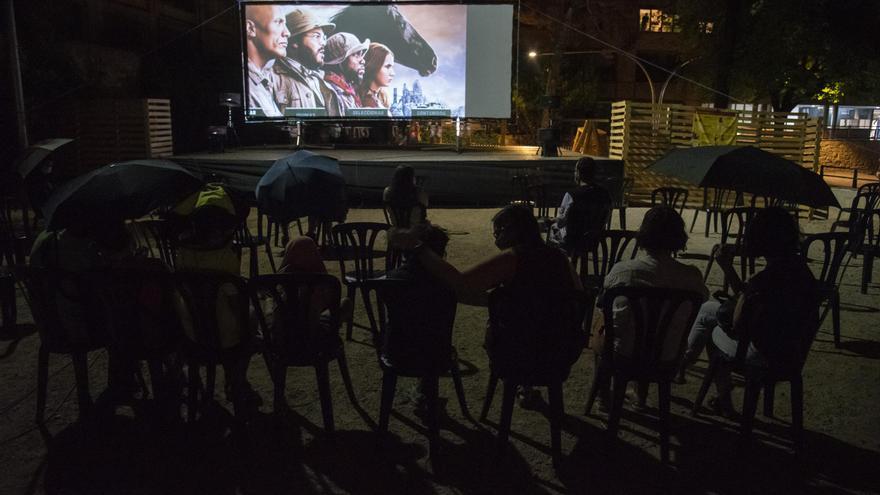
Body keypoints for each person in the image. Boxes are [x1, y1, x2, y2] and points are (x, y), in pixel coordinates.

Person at [392, 204, 582, 407]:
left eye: (499, 231)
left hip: (518, 353)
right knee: (530, 319)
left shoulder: (513, 258)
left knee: (515, 326)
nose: (496, 237)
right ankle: (526, 388)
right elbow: (576, 298)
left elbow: (462, 283)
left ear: (514, 230)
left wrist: (420, 249)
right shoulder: (561, 259)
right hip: (560, 352)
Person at [680, 207, 819, 415]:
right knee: (710, 309)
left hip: (762, 352)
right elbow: (754, 304)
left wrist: (728, 269)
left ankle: (689, 365)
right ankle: (691, 366)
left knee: (709, 318)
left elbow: (738, 323)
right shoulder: (801, 271)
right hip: (792, 352)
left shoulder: (764, 280)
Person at [593, 206, 709, 408]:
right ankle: (640, 393)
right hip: (668, 355)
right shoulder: (692, 276)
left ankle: (604, 395)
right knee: (652, 329)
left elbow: (616, 322)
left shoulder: (625, 271)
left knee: (604, 322)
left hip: (624, 355)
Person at [384, 224, 456, 415]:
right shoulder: (448, 282)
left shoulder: (392, 278)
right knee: (430, 337)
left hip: (397, 350)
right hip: (436, 354)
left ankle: (423, 393)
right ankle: (425, 390)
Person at [274, 9, 339, 114]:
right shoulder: (272, 78)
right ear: (294, 41)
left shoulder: (319, 81)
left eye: (324, 38)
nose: (323, 43)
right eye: (316, 36)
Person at [548, 157, 612, 251]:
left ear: (578, 173)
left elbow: (561, 223)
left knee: (552, 228)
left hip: (573, 241)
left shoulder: (571, 195)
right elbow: (606, 217)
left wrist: (552, 221)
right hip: (594, 240)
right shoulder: (605, 194)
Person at [244, 4, 289, 117]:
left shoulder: (265, 80)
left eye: (285, 24)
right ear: (250, 28)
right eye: (278, 22)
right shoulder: (244, 84)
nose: (287, 33)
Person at [322, 32, 369, 115]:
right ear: (339, 62)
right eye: (356, 55)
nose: (363, 60)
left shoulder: (348, 89)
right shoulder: (331, 92)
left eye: (361, 54)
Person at [359, 43, 395, 110]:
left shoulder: (381, 96)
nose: (393, 73)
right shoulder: (367, 101)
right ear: (374, 66)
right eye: (387, 66)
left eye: (392, 67)